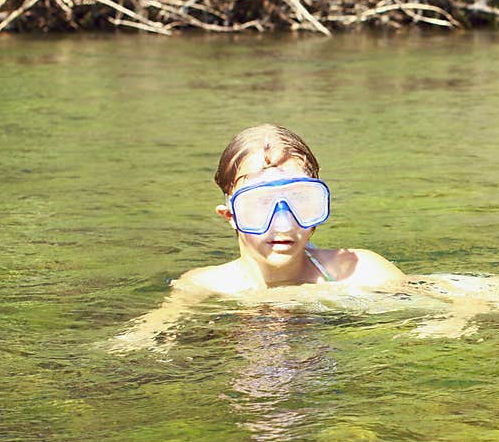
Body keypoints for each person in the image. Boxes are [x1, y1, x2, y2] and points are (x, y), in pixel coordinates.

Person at [111, 124, 405, 351]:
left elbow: (446, 298)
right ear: (231, 216)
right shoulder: (205, 284)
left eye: (301, 202)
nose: (283, 223)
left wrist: (451, 320)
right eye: (260, 205)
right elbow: (151, 329)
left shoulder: (357, 270)